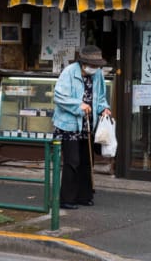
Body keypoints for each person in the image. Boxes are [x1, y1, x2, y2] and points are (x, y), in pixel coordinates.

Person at [52, 45, 111, 209]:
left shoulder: (98, 74)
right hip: (68, 124)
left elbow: (100, 96)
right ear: (83, 63)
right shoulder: (69, 72)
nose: (95, 68)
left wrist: (103, 108)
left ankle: (84, 196)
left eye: (97, 65)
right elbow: (59, 96)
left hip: (88, 123)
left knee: (86, 161)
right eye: (92, 65)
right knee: (73, 161)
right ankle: (67, 199)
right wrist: (79, 105)